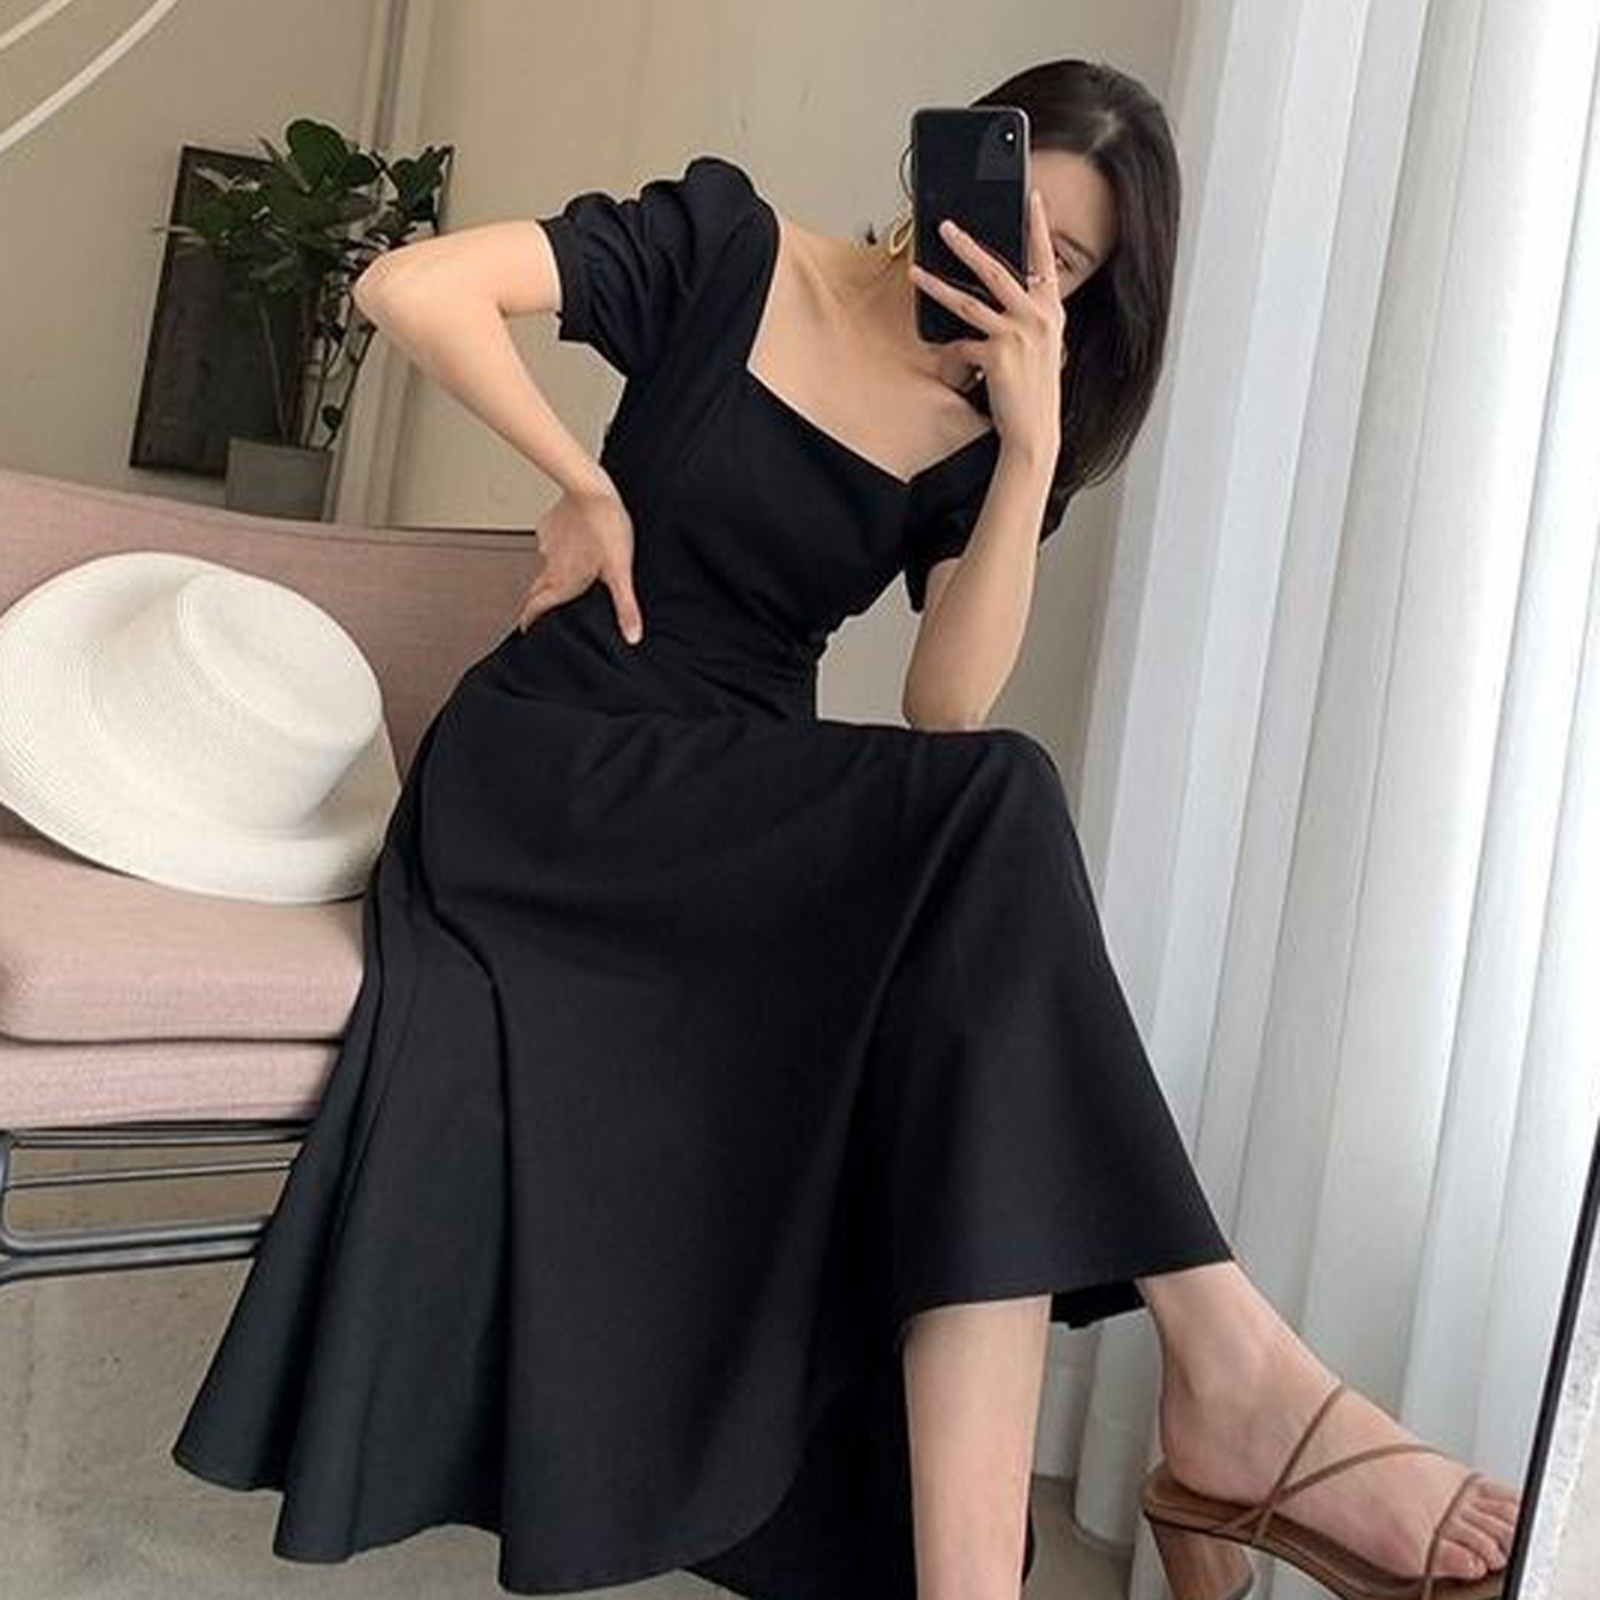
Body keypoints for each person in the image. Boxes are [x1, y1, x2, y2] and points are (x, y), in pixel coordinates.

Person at [169, 58, 1521, 1600]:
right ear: (942, 170)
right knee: (1004, 812)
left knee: (974, 990)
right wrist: (581, 484)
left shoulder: (985, 434)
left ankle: (985, 1572)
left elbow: (947, 704)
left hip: (740, 805)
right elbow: (410, 287)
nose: (1017, 267)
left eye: (1066, 263)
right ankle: (1238, 1371)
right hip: (554, 770)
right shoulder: (729, 249)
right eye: (1011, 218)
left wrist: (1027, 452)